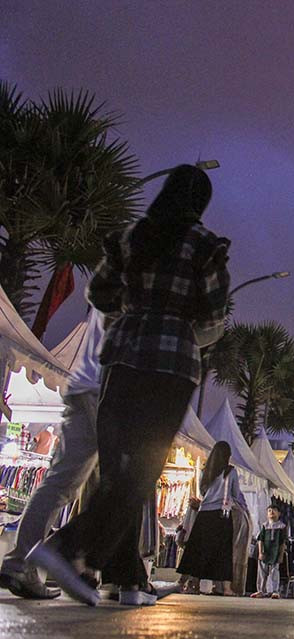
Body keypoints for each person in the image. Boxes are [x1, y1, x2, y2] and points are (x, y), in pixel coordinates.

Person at [27, 165, 229, 607]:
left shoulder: (129, 238)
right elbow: (214, 315)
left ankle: (104, 569)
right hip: (172, 364)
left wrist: (136, 308)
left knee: (120, 468)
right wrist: (179, 320)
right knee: (142, 470)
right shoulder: (205, 247)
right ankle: (70, 549)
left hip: (122, 358)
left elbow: (99, 294)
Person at [1, 311, 104, 600]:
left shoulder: (114, 270)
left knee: (60, 482)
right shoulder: (146, 271)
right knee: (125, 481)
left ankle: (20, 561)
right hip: (111, 387)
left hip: (83, 382)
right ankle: (84, 563)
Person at [177, 442, 248, 596]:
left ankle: (193, 584)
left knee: (198, 549)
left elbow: (203, 493)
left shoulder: (205, 471)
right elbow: (235, 493)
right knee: (223, 551)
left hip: (204, 515)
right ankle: (226, 588)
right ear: (227, 456)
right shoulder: (231, 472)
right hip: (222, 515)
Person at [251, 505, 287, 599]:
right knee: (262, 572)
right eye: (269, 510)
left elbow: (282, 542)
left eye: (274, 510)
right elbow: (260, 540)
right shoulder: (265, 526)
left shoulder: (282, 527)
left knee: (275, 572)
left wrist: (281, 555)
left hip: (275, 552)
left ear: (279, 513)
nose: (271, 512)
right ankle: (261, 590)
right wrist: (260, 552)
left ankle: (275, 591)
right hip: (265, 552)